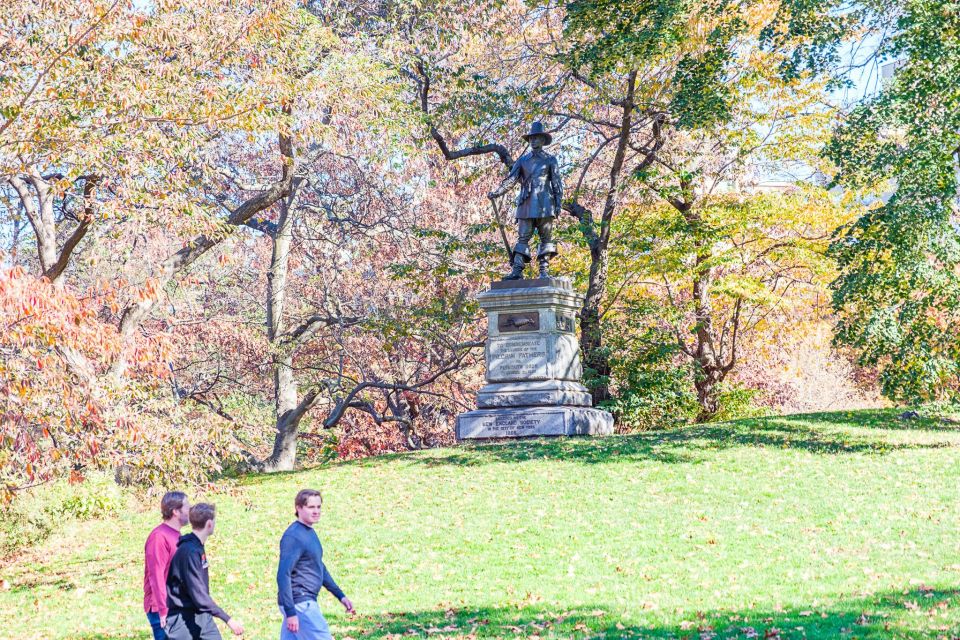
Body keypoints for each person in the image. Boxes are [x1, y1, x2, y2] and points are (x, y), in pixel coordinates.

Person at [488, 121, 565, 280]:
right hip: (526, 202)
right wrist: (497, 193)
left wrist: (558, 204)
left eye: (536, 138)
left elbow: (556, 183)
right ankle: (517, 270)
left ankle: (544, 270)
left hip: (545, 203)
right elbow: (511, 180)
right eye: (531, 138)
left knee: (546, 237)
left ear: (543, 140)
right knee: (523, 236)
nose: (533, 141)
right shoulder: (522, 160)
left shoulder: (550, 160)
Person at [277, 489, 354, 640]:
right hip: (300, 603)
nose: (316, 511)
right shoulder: (293, 536)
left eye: (318, 507)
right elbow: (282, 575)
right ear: (298, 508)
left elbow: (319, 567)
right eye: (311, 507)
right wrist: (291, 612)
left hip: (300, 603)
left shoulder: (308, 532)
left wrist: (340, 595)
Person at [165, 503, 244, 639]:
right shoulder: (189, 552)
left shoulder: (197, 546)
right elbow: (199, 595)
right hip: (182, 621)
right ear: (209, 524)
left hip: (203, 617)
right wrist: (228, 619)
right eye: (214, 521)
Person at [144, 491, 190, 640]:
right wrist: (163, 610)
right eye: (187, 507)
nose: (191, 511)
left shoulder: (177, 535)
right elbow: (156, 576)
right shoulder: (159, 537)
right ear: (176, 511)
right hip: (162, 610)